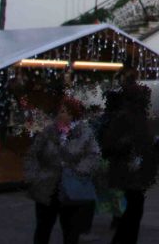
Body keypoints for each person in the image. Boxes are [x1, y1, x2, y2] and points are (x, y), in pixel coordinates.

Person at [24, 96, 101, 244]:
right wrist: (33, 177)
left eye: (64, 112)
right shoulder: (48, 131)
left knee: (70, 230)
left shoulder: (84, 133)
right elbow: (32, 155)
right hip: (47, 185)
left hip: (71, 187)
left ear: (73, 115)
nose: (60, 115)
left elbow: (93, 155)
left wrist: (79, 171)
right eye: (59, 111)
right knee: (43, 228)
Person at [100, 81, 159, 244]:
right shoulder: (124, 117)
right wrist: (127, 145)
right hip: (126, 173)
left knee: (133, 214)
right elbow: (108, 145)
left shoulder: (140, 117)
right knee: (130, 215)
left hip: (136, 174)